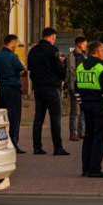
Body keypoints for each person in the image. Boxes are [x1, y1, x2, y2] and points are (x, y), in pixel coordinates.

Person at [76, 41, 103, 177]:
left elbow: (77, 89)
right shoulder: (101, 68)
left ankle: (86, 168)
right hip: (100, 109)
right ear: (98, 52)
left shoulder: (81, 66)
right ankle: (95, 168)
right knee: (99, 139)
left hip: (87, 107)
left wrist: (82, 104)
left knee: (89, 136)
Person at [27, 27, 69, 155]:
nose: (54, 40)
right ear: (51, 36)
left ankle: (37, 146)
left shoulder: (33, 50)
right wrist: (62, 67)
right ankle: (57, 147)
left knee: (38, 117)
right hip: (51, 86)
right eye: (54, 38)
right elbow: (58, 70)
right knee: (55, 117)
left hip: (38, 87)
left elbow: (30, 69)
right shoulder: (53, 50)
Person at [0, 34, 26, 154]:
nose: (16, 46)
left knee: (3, 117)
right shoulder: (13, 57)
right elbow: (22, 70)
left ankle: (3, 140)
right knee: (14, 117)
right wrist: (23, 72)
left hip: (2, 88)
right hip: (13, 88)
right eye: (16, 43)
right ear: (11, 42)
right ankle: (13, 142)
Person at [64, 36, 88, 142]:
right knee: (75, 111)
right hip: (75, 87)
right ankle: (73, 133)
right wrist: (71, 86)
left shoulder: (84, 56)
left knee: (83, 110)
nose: (85, 46)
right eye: (84, 44)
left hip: (84, 87)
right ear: (79, 44)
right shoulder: (72, 56)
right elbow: (71, 71)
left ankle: (81, 131)